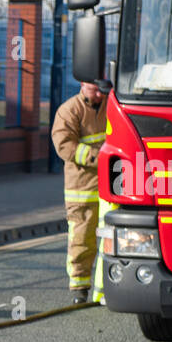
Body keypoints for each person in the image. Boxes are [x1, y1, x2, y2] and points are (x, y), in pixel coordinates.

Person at [51, 80, 110, 304]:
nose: (99, 94)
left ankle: (105, 289)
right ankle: (79, 287)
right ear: (82, 85)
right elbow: (64, 145)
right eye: (95, 89)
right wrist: (99, 158)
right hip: (82, 188)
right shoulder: (68, 111)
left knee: (110, 239)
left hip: (110, 186)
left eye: (102, 90)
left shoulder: (110, 106)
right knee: (81, 239)